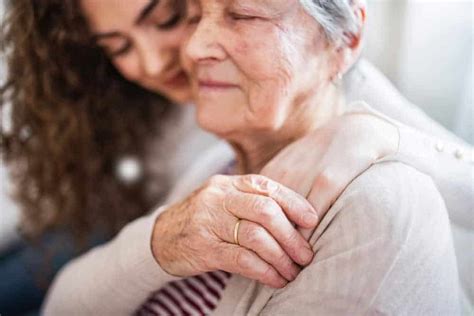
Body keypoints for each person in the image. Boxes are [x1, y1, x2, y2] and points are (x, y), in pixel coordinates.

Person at [42, 0, 473, 315]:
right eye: (192, 15)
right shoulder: (215, 161)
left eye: (244, 13)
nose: (185, 51)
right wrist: (161, 240)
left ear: (347, 40)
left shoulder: (378, 206)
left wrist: (376, 133)